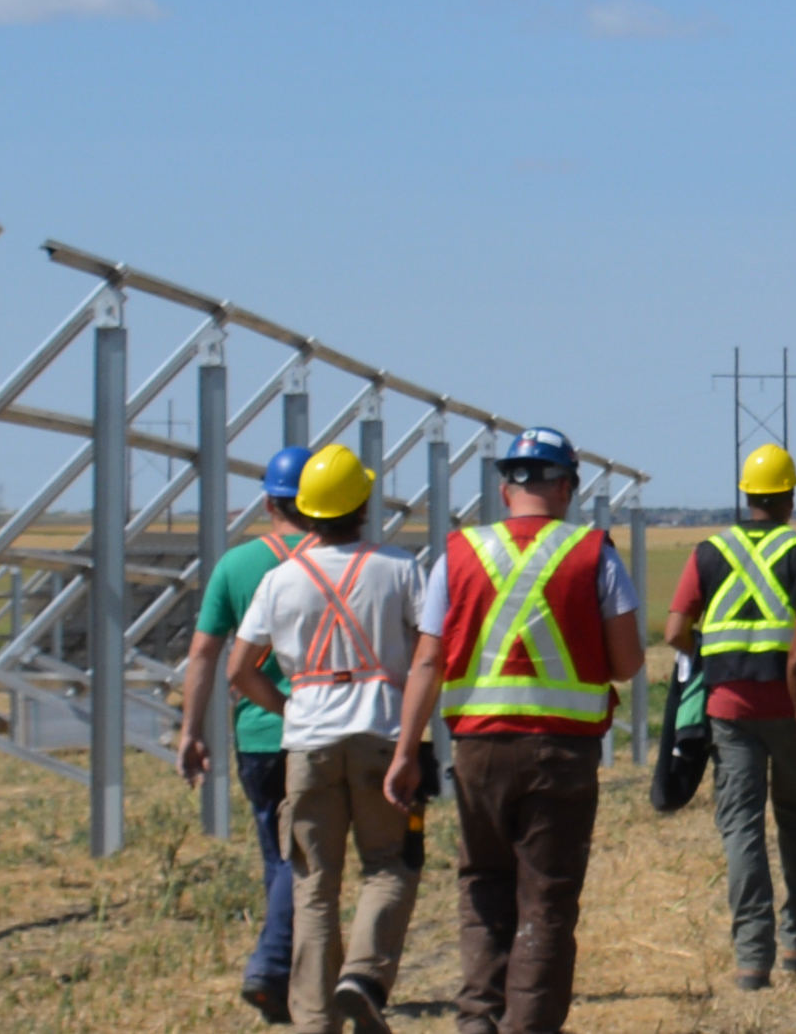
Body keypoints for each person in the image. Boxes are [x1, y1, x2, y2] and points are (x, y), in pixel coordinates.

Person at [409, 427, 641, 1034]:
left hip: (477, 750)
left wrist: (406, 750)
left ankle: (477, 1021)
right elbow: (627, 663)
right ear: (565, 487)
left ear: (507, 488)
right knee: (547, 900)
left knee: (483, 886)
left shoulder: (457, 553)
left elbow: (428, 661)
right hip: (561, 753)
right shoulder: (595, 554)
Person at [213, 441, 435, 1034]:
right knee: (389, 866)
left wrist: (289, 709)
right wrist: (415, 745)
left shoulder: (280, 580)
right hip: (382, 735)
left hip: (307, 742)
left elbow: (238, 670)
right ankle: (362, 977)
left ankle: (314, 1022)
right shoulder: (399, 568)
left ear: (305, 510)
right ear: (364, 505)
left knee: (314, 883)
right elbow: (426, 660)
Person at [668, 441, 796, 989]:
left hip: (728, 710)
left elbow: (674, 632)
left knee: (741, 826)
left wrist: (709, 653)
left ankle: (750, 958)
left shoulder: (708, 551)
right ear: (789, 496)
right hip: (793, 709)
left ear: (747, 496)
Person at [173, 444, 314, 1022]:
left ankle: (281, 975)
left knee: (276, 855)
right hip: (319, 729)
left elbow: (205, 654)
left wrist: (190, 730)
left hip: (257, 732)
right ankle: (274, 966)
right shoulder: (337, 559)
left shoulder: (236, 565)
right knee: (306, 857)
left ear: (267, 501)